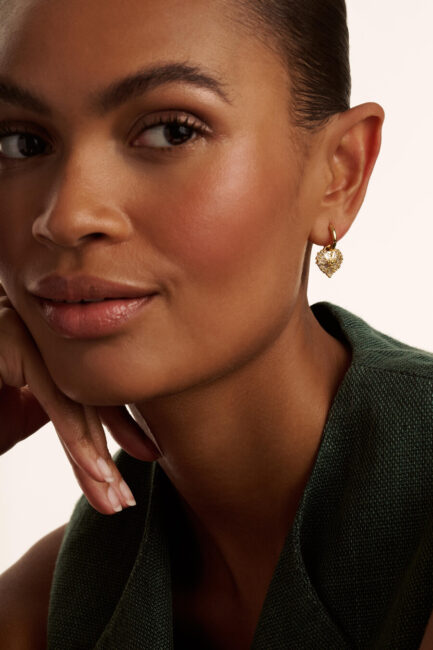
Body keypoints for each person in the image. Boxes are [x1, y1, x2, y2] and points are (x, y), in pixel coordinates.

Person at [0, 0, 431, 648]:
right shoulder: (64, 596)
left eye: (171, 132)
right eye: (21, 142)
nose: (65, 217)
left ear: (337, 173)